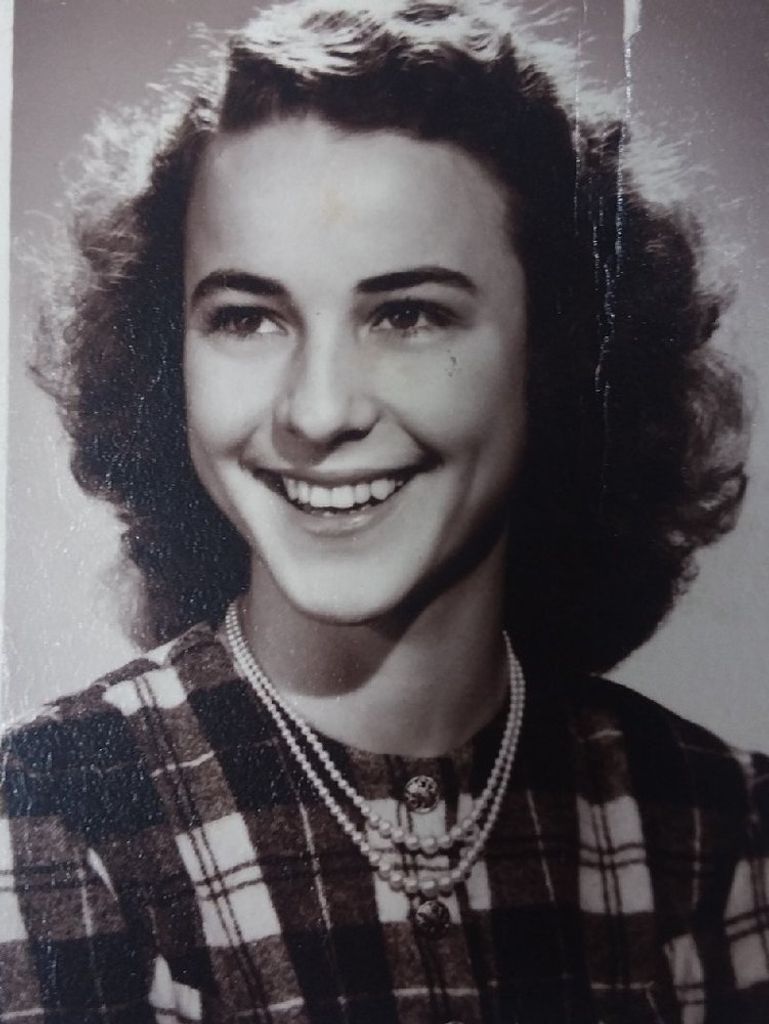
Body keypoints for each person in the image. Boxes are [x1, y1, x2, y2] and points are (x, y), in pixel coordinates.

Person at [1, 1, 767, 1021]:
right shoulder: (47, 814)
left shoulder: (723, 830)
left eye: (407, 314)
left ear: (557, 352)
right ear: (166, 356)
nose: (318, 412)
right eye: (247, 317)